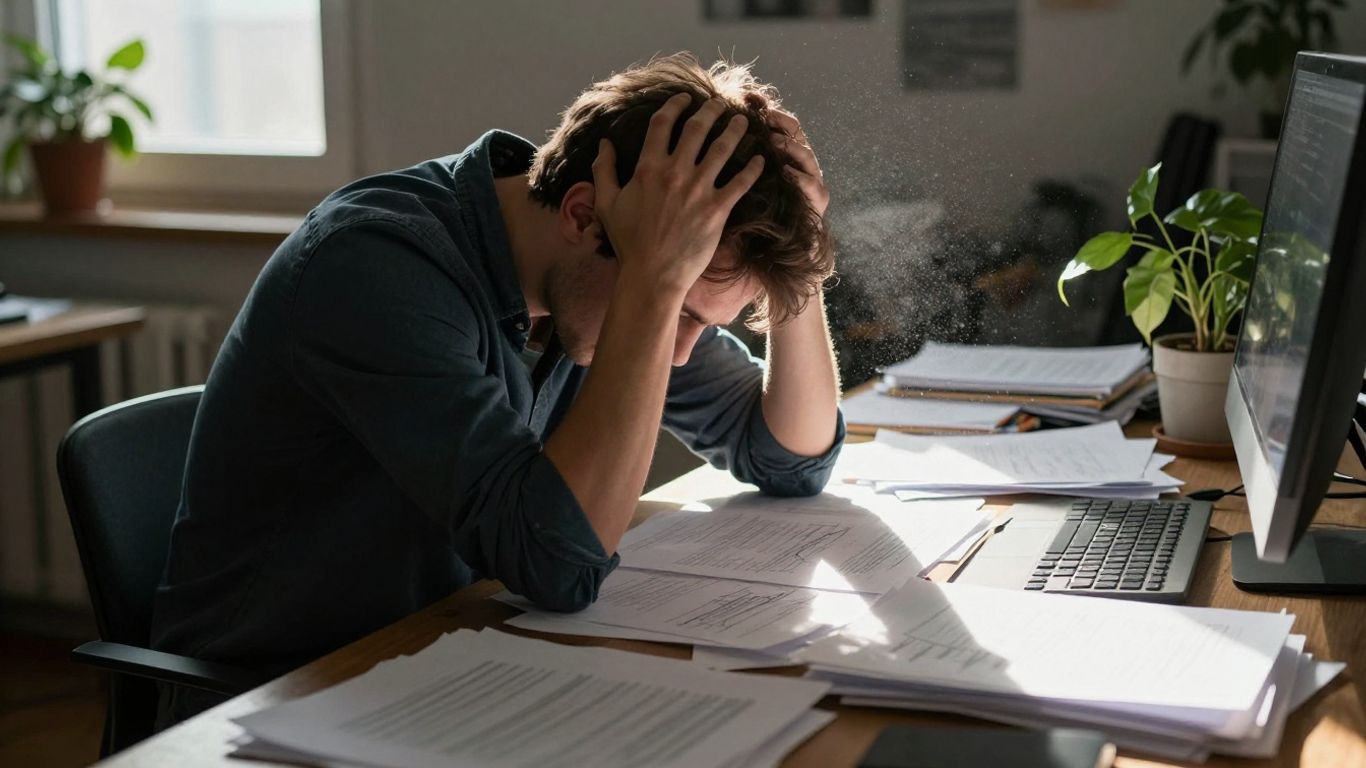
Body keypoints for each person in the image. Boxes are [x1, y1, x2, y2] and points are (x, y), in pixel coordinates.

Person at [150, 52, 843, 723]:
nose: (680, 352)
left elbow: (788, 456)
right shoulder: (374, 268)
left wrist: (802, 270)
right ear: (581, 215)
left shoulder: (596, 276)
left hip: (448, 669)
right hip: (274, 706)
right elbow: (556, 565)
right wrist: (653, 288)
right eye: (680, 311)